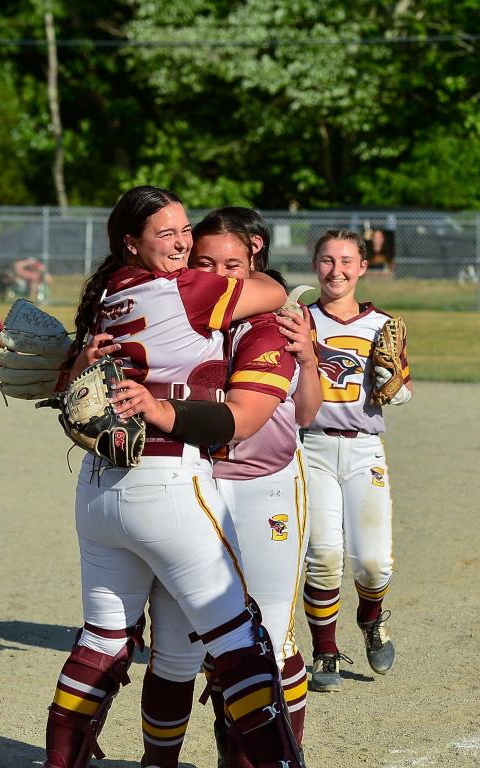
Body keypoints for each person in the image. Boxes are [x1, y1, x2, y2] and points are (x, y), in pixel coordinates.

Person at [42, 186, 305, 768]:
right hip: (167, 478)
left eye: (187, 229)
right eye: (169, 233)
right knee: (241, 642)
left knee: (103, 640)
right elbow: (274, 291)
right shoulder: (183, 289)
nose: (185, 244)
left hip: (100, 484)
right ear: (131, 242)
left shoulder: (108, 291)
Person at [133, 207, 322, 768]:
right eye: (206, 261)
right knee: (178, 643)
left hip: (266, 486)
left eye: (233, 263)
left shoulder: (280, 319)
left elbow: (306, 413)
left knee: (272, 637)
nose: (221, 272)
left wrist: (309, 357)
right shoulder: (181, 314)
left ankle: (269, 754)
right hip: (197, 484)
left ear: (255, 259)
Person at [300, 229, 412, 693]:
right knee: (323, 555)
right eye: (327, 260)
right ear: (315, 265)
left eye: (347, 261)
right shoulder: (298, 319)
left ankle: (370, 619)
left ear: (363, 267)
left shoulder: (381, 325)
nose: (337, 270)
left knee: (372, 563)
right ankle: (325, 650)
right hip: (310, 445)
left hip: (364, 446)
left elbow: (402, 392)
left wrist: (392, 381)